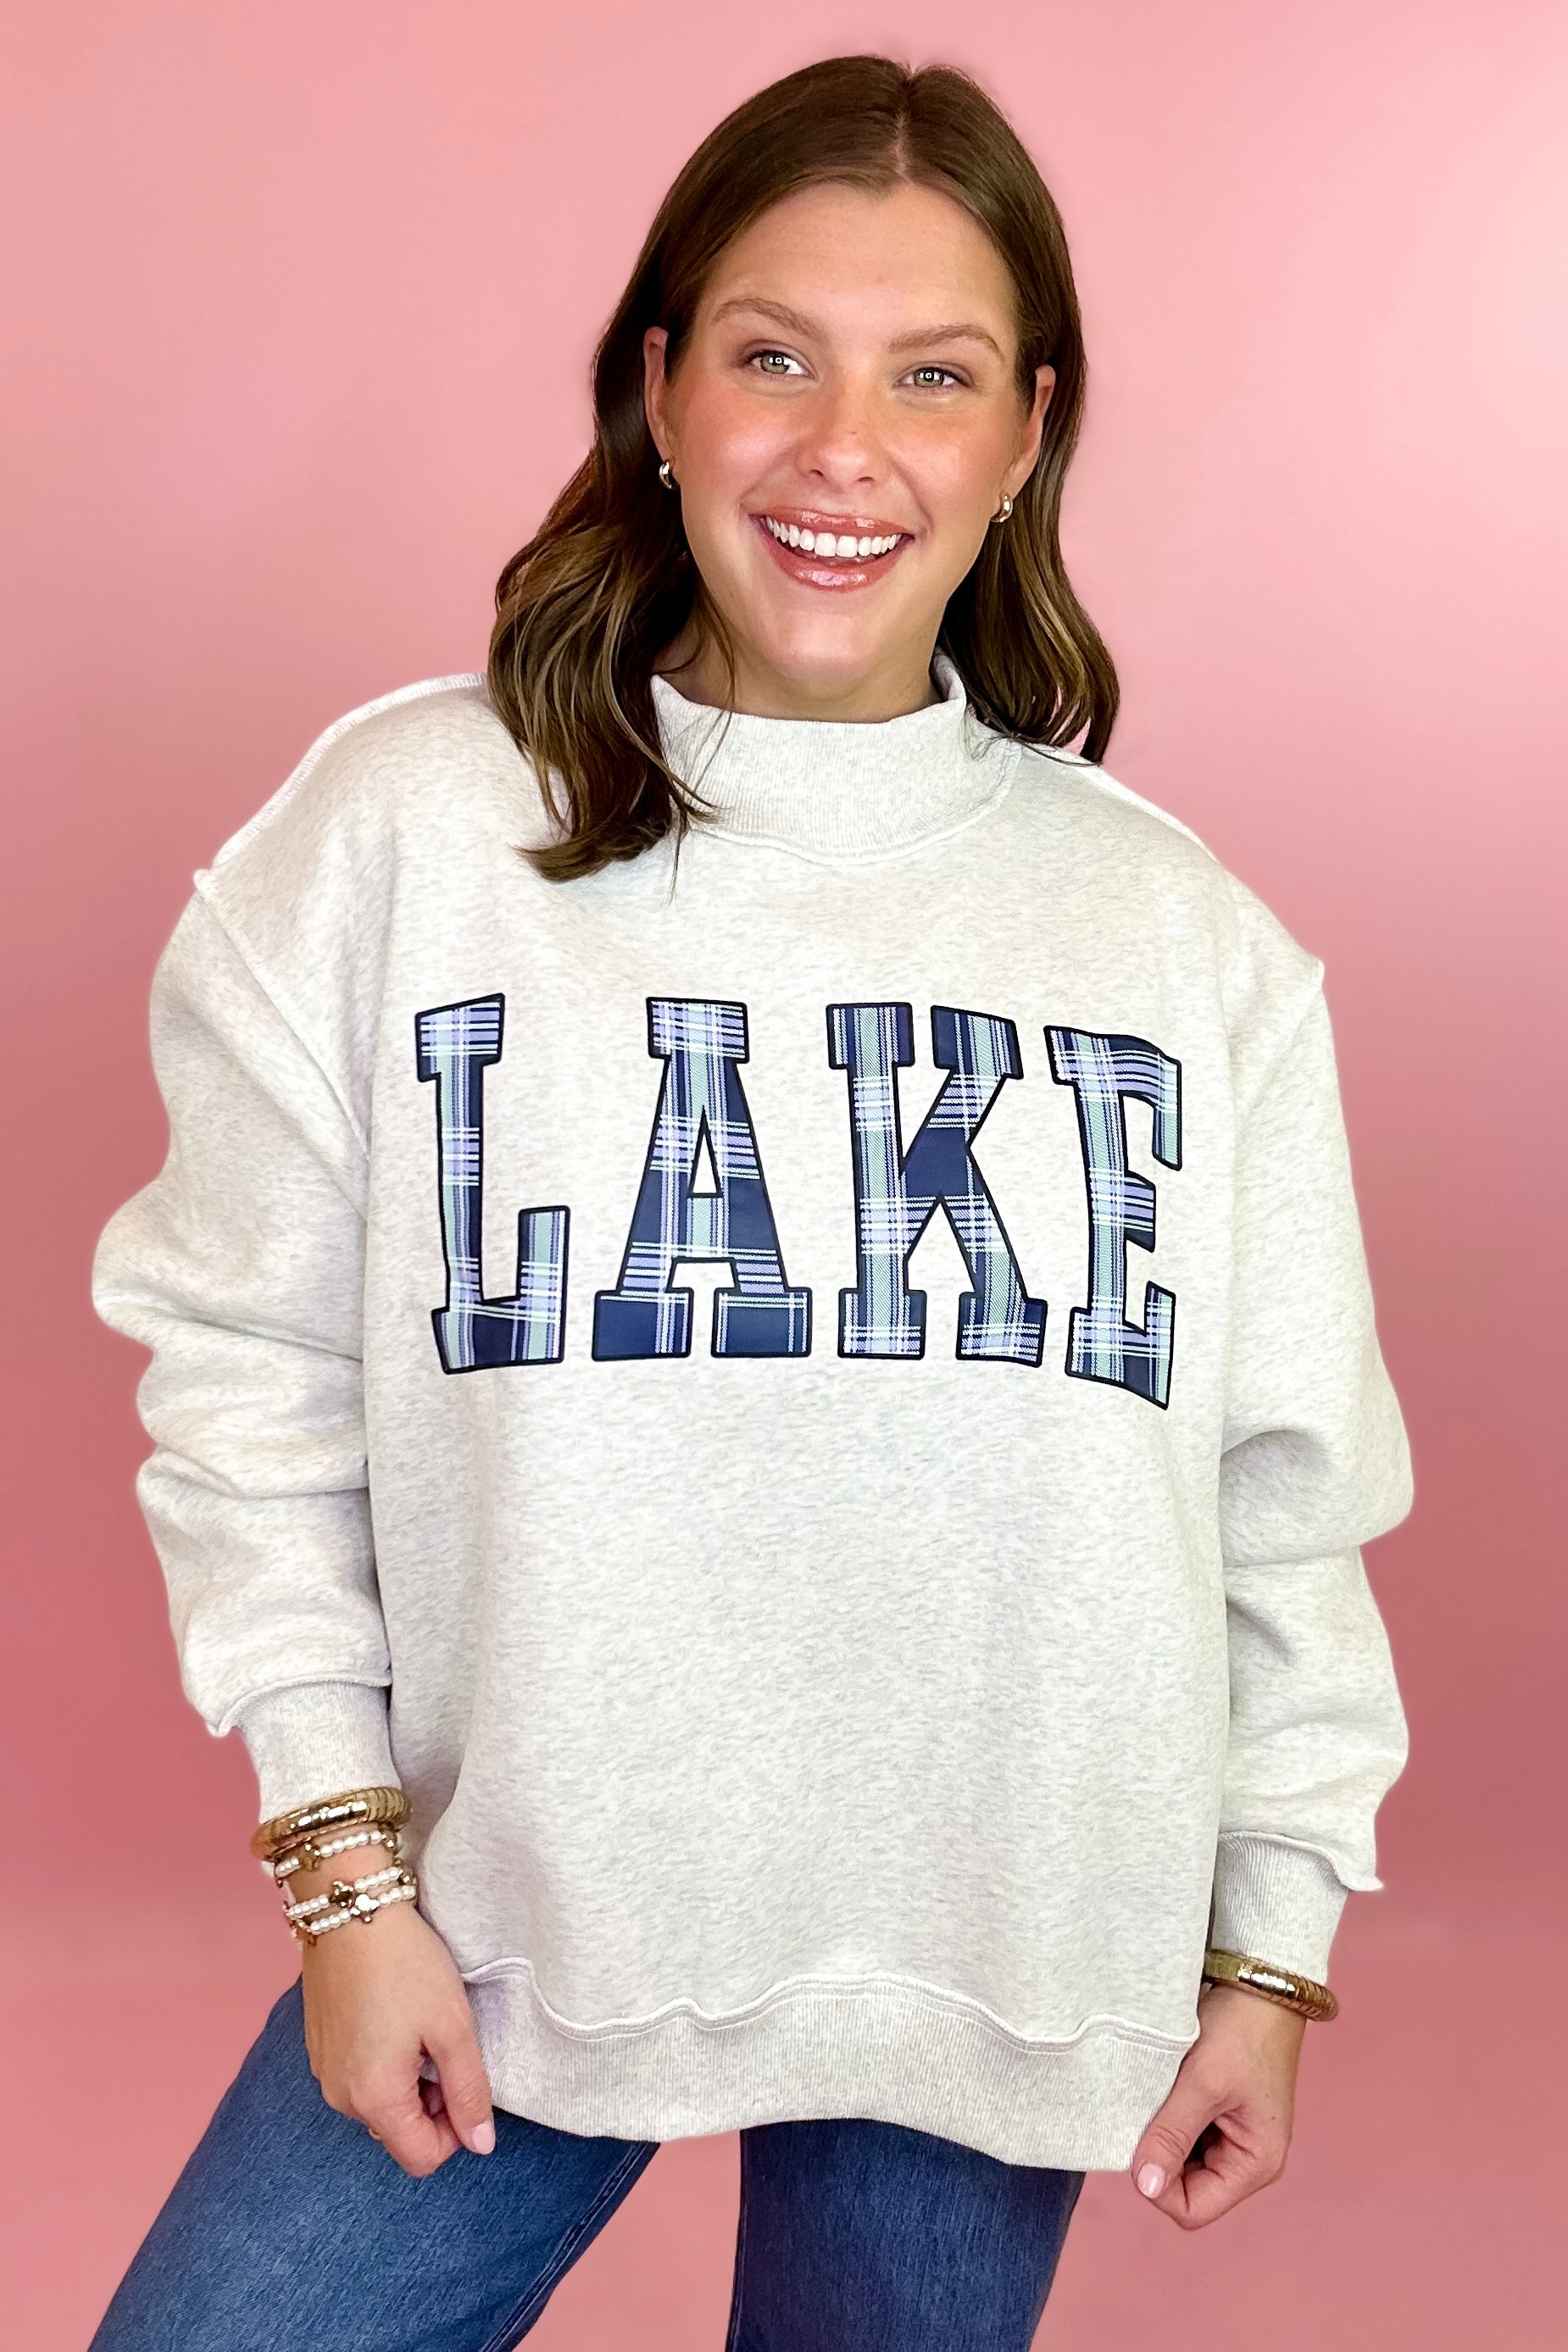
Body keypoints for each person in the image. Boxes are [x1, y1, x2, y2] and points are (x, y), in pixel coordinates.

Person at [88, 51, 1411, 2352]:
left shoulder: (1179, 942)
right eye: (776, 357)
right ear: (660, 388)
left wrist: (1267, 1947)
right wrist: (343, 1876)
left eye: (934, 376)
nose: (843, 449)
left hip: (996, 1952)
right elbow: (250, 1385)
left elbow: (1280, 1504)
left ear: (1028, 435)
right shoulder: (402, 838)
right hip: (504, 1918)